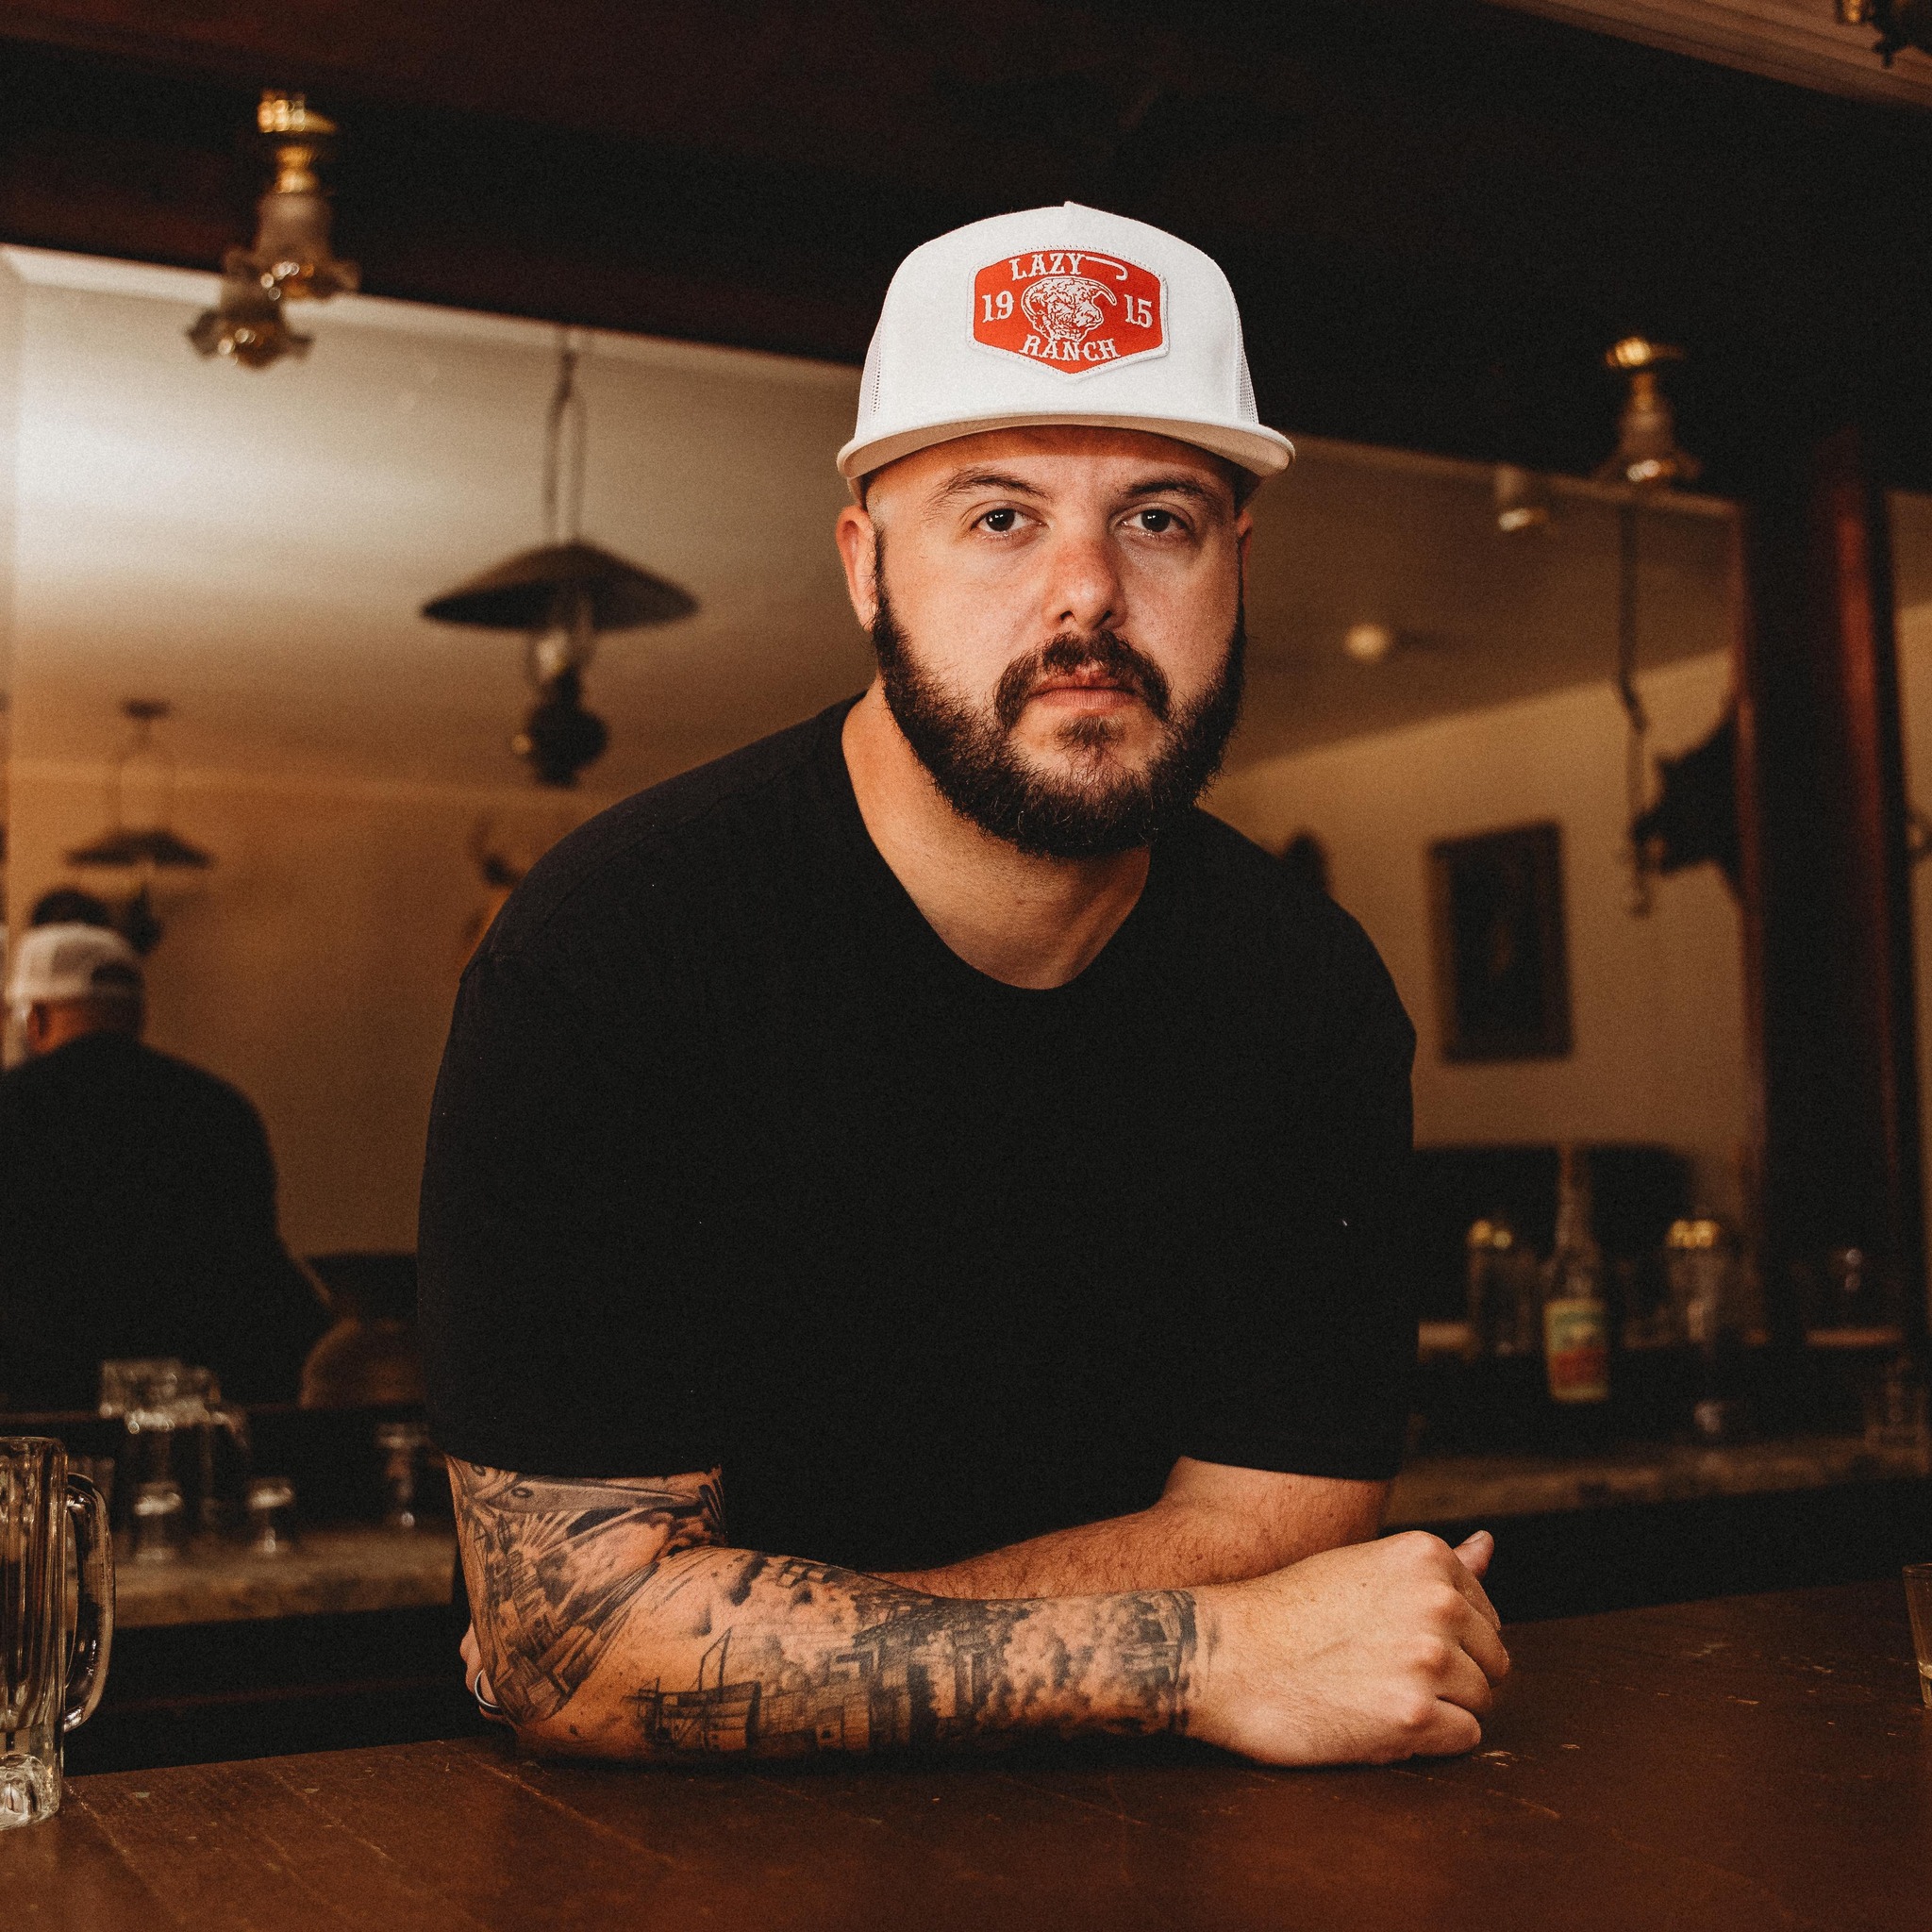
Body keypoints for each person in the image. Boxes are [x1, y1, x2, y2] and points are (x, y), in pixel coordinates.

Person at [421, 202, 1508, 1767]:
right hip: (686, 1861)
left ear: (1235, 565)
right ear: (866, 568)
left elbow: (1289, 1520)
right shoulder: (614, 952)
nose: (1087, 597)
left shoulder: (1303, 993)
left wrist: (695, 1639)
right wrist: (1197, 1646)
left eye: (1159, 519)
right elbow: (572, 1650)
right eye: (999, 517)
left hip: (1160, 1845)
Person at [0, 923, 325, 1409]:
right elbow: (256, 1283)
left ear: (36, 1017)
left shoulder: (10, 1106)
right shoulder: (220, 1109)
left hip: (41, 1415)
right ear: (138, 1015)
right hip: (199, 1409)